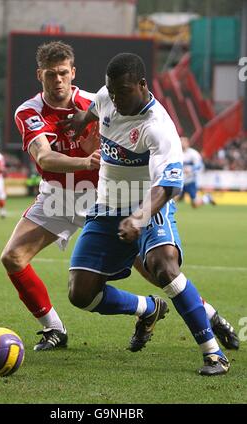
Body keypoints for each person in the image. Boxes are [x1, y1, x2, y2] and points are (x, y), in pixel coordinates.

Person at [62, 52, 232, 375]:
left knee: (164, 267)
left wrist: (139, 218)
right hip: (107, 206)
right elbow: (95, 108)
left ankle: (213, 353)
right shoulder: (108, 97)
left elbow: (167, 186)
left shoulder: (159, 128)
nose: (116, 99)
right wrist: (81, 120)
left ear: (142, 85)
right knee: (80, 293)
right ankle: (148, 308)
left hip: (148, 204)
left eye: (123, 92)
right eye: (111, 92)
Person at [0, 41, 100, 351]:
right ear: (39, 75)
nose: (57, 81)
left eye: (62, 74)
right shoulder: (28, 112)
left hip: (98, 197)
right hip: (55, 198)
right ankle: (54, 329)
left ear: (73, 72)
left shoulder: (96, 104)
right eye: (50, 75)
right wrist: (86, 160)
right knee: (12, 258)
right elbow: (44, 158)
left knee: (154, 267)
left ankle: (204, 316)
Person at [179, 136, 216, 208]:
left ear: (187, 143)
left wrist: (190, 169)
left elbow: (200, 165)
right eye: (180, 141)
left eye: (183, 141)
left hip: (190, 181)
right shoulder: (176, 153)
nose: (181, 143)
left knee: (195, 205)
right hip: (180, 180)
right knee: (173, 199)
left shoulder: (193, 153)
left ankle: (207, 198)